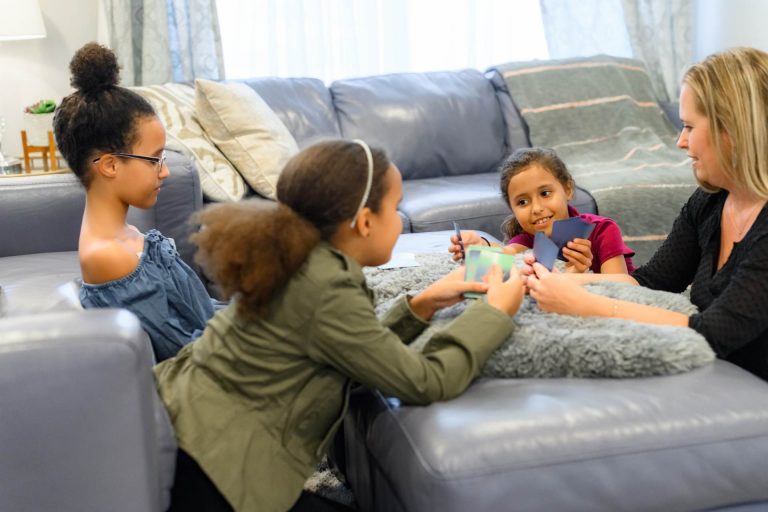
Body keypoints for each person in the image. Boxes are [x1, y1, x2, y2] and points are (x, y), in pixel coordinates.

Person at [153, 139, 525, 511]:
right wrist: (492, 312)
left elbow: (355, 349)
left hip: (185, 435)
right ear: (365, 223)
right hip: (212, 473)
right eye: (394, 209)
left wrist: (421, 304)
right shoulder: (326, 286)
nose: (398, 219)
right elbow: (426, 381)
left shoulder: (302, 260)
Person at [524, 47, 768, 381]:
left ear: (732, 131)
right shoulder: (710, 201)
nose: (680, 142)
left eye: (688, 126)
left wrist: (584, 303)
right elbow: (651, 283)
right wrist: (559, 280)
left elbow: (714, 333)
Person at [53, 42, 215, 362]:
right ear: (110, 165)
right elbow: (185, 353)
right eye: (154, 159)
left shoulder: (126, 240)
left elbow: (203, 316)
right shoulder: (110, 256)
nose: (165, 171)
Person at [449, 147, 635, 273]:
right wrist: (482, 246)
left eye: (545, 193)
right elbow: (507, 254)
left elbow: (622, 287)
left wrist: (579, 275)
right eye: (522, 202)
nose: (537, 208)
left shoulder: (602, 230)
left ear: (568, 189)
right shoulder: (527, 239)